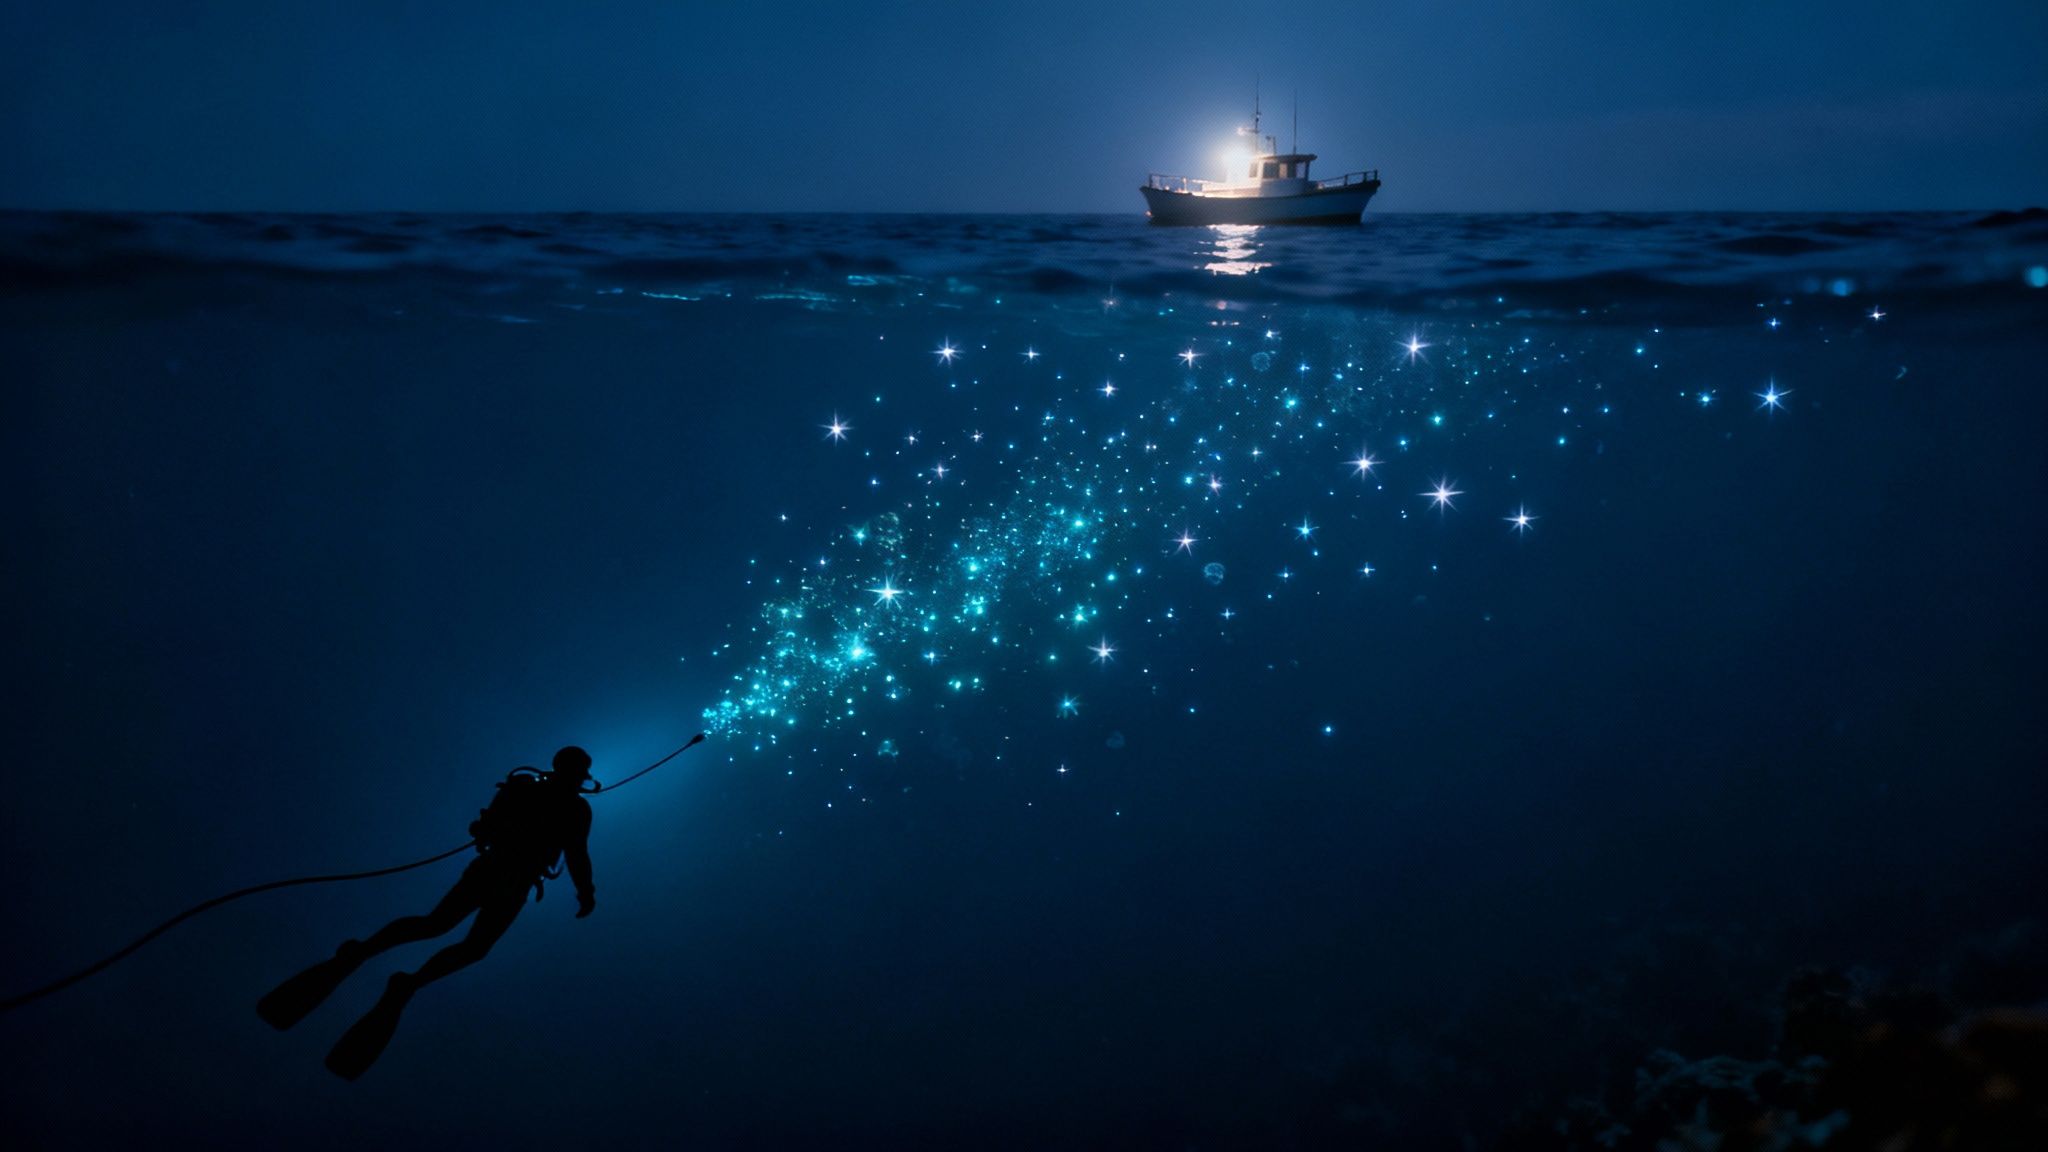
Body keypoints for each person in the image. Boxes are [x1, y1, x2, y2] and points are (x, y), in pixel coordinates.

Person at [257, 746, 599, 1078]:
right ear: (573, 770)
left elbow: (565, 851)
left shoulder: (549, 796)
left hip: (506, 876)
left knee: (453, 935)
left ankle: (383, 967)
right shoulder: (563, 803)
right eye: (579, 770)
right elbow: (572, 853)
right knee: (444, 930)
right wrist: (585, 892)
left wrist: (584, 890)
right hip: (503, 874)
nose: (579, 777)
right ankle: (391, 972)